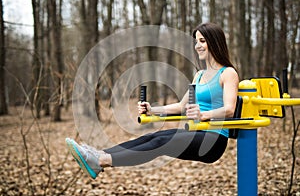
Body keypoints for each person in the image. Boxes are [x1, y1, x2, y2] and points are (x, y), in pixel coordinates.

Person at [66, 22, 239, 179]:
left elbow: (230, 109)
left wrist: (204, 114)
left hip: (214, 140)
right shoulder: (199, 75)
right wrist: (152, 110)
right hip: (198, 132)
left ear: (214, 42)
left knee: (160, 142)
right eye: (196, 41)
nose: (197, 46)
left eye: (202, 41)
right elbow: (181, 106)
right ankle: (98, 155)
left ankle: (102, 161)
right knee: (152, 136)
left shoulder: (228, 73)